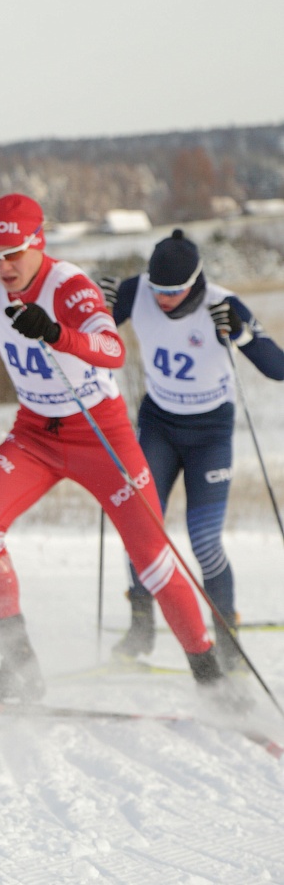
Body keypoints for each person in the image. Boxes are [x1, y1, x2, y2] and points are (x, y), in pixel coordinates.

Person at [0, 192, 243, 707]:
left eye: (14, 254)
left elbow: (112, 349)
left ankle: (211, 678)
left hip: (100, 435)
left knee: (152, 558)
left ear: (39, 244)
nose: (3, 267)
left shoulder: (68, 286)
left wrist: (56, 333)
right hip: (35, 433)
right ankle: (19, 668)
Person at [99, 230, 284, 669]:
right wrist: (97, 310)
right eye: (157, 289)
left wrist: (240, 335)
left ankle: (227, 638)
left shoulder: (222, 304)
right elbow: (91, 341)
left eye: (174, 291)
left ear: (196, 281)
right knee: (140, 527)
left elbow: (277, 368)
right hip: (159, 426)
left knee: (203, 540)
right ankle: (141, 627)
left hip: (210, 433)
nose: (163, 299)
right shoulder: (137, 292)